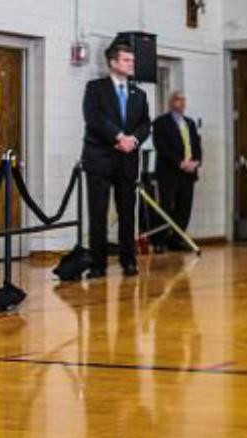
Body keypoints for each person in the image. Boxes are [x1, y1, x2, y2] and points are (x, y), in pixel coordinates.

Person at [81, 43, 151, 277]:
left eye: (132, 60)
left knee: (127, 214)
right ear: (113, 63)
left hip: (127, 160)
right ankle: (98, 264)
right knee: (98, 214)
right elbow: (93, 118)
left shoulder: (139, 94)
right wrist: (118, 136)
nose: (131, 64)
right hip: (100, 158)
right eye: (126, 60)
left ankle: (128, 261)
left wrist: (134, 140)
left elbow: (145, 124)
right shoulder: (95, 88)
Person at [151, 91, 202, 251]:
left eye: (183, 100)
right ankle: (159, 241)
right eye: (178, 100)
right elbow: (162, 147)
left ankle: (177, 240)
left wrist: (196, 162)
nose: (182, 103)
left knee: (184, 208)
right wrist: (180, 163)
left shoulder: (190, 123)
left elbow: (196, 145)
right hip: (169, 173)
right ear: (171, 102)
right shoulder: (160, 123)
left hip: (188, 173)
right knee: (166, 207)